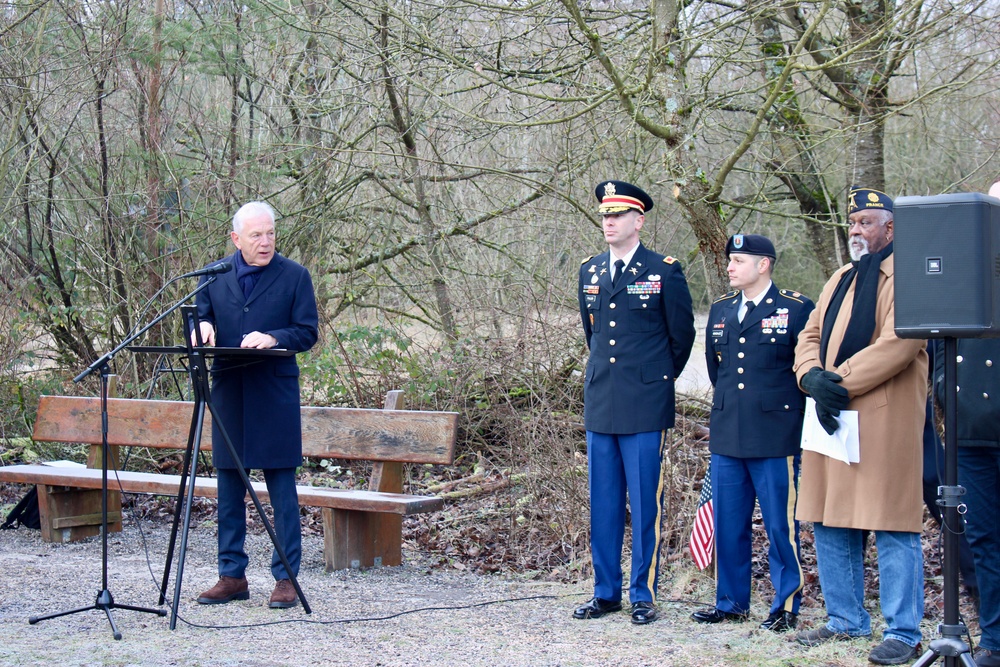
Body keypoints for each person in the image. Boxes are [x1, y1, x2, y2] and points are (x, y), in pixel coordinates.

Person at [791, 186, 928, 665]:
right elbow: (809, 333)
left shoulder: (909, 275)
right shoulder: (841, 277)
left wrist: (837, 382)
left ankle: (904, 630)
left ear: (890, 227)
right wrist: (810, 375)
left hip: (881, 415)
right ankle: (845, 620)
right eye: (851, 223)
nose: (854, 230)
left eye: (865, 222)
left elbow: (900, 343)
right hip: (831, 414)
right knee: (829, 517)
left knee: (891, 521)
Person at [574, 180, 696, 625]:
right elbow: (594, 335)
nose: (608, 222)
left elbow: (681, 337)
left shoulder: (664, 270)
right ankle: (605, 592)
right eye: (605, 216)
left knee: (646, 503)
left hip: (645, 404)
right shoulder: (590, 271)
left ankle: (642, 593)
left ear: (638, 221)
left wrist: (654, 379)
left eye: (617, 216)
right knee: (603, 502)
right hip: (602, 400)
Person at [193, 201, 319, 609]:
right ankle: (231, 575)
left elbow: (306, 332)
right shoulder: (214, 275)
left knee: (282, 488)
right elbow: (200, 315)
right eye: (256, 235)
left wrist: (274, 336)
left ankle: (286, 578)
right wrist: (203, 325)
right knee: (230, 485)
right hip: (229, 390)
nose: (265, 242)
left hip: (273, 393)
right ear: (236, 239)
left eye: (270, 234)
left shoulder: (295, 276)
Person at [690, 234, 814, 633]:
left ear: (764, 264)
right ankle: (730, 601)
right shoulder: (722, 309)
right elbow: (716, 369)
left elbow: (806, 367)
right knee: (728, 521)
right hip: (729, 431)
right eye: (730, 260)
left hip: (775, 435)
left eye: (739, 260)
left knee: (780, 524)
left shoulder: (795, 308)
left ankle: (786, 604)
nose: (729, 266)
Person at [928, 179, 1000, 667]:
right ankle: (995, 641)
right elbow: (938, 333)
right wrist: (940, 386)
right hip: (972, 430)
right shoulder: (962, 266)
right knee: (984, 539)